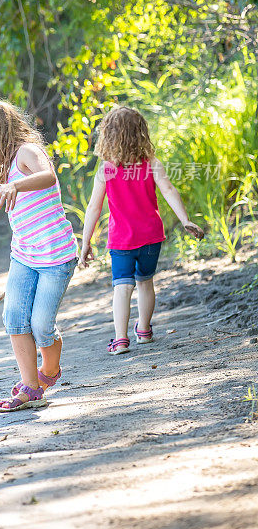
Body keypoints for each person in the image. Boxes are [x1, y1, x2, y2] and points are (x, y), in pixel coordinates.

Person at [0, 100, 78, 412]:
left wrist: (15, 184)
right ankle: (30, 387)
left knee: (41, 326)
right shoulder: (2, 167)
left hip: (56, 255)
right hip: (25, 255)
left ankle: (50, 370)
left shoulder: (27, 151)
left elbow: (48, 177)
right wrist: (3, 183)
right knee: (14, 318)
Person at [79, 106, 204, 354]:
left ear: (109, 135)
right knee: (145, 283)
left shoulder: (106, 170)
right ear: (141, 133)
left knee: (122, 287)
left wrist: (85, 242)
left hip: (122, 240)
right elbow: (169, 190)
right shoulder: (151, 164)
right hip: (150, 237)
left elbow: (94, 208)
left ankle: (120, 339)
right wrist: (185, 219)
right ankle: (144, 330)